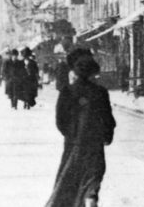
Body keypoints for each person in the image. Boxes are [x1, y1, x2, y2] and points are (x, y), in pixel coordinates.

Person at [45, 49, 116, 207]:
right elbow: (108, 118)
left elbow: (60, 120)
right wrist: (107, 136)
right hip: (95, 142)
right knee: (94, 173)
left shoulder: (67, 91)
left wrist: (71, 134)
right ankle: (91, 196)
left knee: (71, 176)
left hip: (73, 143)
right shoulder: (100, 92)